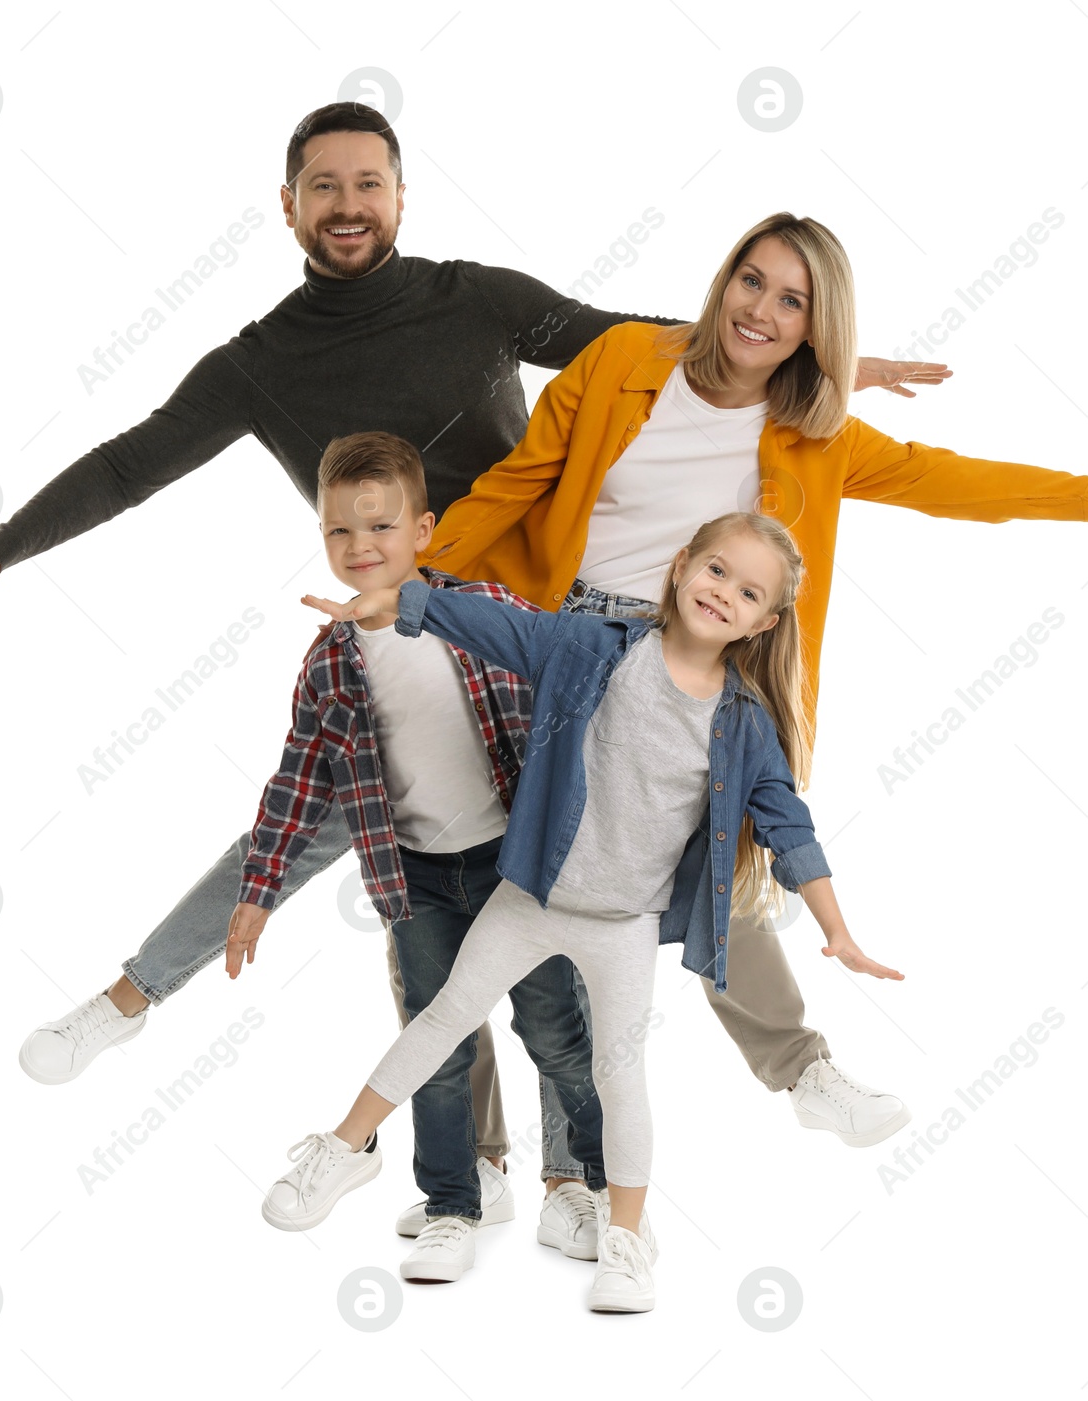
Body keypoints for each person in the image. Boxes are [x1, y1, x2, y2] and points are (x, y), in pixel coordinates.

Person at [0, 103, 943, 1220]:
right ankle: (173, 1020)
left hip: (530, 641)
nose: (347, 205)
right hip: (398, 638)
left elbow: (642, 342)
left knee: (670, 828)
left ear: (398, 195)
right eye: (323, 187)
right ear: (287, 206)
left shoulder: (474, 299)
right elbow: (132, 461)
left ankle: (776, 1082)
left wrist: (813, 363)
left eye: (367, 183)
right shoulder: (258, 364)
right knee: (372, 860)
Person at [409, 211, 1088, 1161]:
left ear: (818, 327)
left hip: (689, 658)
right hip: (569, 648)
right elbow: (520, 481)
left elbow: (956, 483)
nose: (761, 308)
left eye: (793, 300)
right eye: (752, 281)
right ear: (723, 279)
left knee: (716, 861)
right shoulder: (617, 362)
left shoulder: (816, 435)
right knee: (499, 886)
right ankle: (482, 1168)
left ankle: (793, 1077)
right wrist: (415, 576)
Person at [276, 510, 903, 1312]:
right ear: (681, 565)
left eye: (747, 591)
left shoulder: (743, 722)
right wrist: (399, 602)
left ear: (765, 621)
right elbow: (496, 627)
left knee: (618, 1073)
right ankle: (341, 1149)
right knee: (439, 1020)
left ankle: (627, 1241)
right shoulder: (593, 647)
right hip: (533, 896)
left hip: (624, 925)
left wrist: (837, 928)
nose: (724, 594)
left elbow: (788, 825)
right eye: (715, 570)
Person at [232, 430, 611, 1281]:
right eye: (340, 532)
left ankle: (583, 1183)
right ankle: (451, 1205)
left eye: (381, 527)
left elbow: (571, 685)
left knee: (557, 1030)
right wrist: (260, 887)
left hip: (517, 868)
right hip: (417, 880)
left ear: (426, 530)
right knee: (439, 1046)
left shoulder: (482, 611)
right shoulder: (329, 660)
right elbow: (298, 778)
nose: (361, 547)